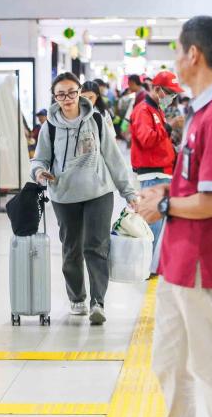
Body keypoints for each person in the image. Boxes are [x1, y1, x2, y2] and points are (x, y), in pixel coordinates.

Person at [137, 16, 212, 417]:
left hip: (202, 258)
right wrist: (168, 191)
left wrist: (165, 203)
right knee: (169, 360)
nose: (176, 62)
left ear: (194, 55)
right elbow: (199, 184)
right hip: (179, 260)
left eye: (177, 52)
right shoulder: (202, 112)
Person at [31, 72, 137, 325]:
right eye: (61, 94)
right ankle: (77, 297)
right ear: (55, 97)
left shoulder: (97, 120)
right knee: (71, 249)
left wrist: (128, 191)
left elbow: (114, 157)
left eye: (71, 92)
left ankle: (97, 302)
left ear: (79, 92)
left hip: (98, 192)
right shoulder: (51, 126)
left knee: (96, 247)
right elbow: (40, 158)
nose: (67, 98)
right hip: (64, 196)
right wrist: (38, 172)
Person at [130, 70, 184, 275]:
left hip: (162, 171)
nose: (172, 97)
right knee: (152, 222)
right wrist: (170, 126)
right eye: (169, 93)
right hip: (152, 173)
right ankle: (146, 267)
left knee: (158, 222)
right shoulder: (144, 111)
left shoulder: (156, 110)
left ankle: (152, 265)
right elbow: (147, 139)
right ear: (157, 89)